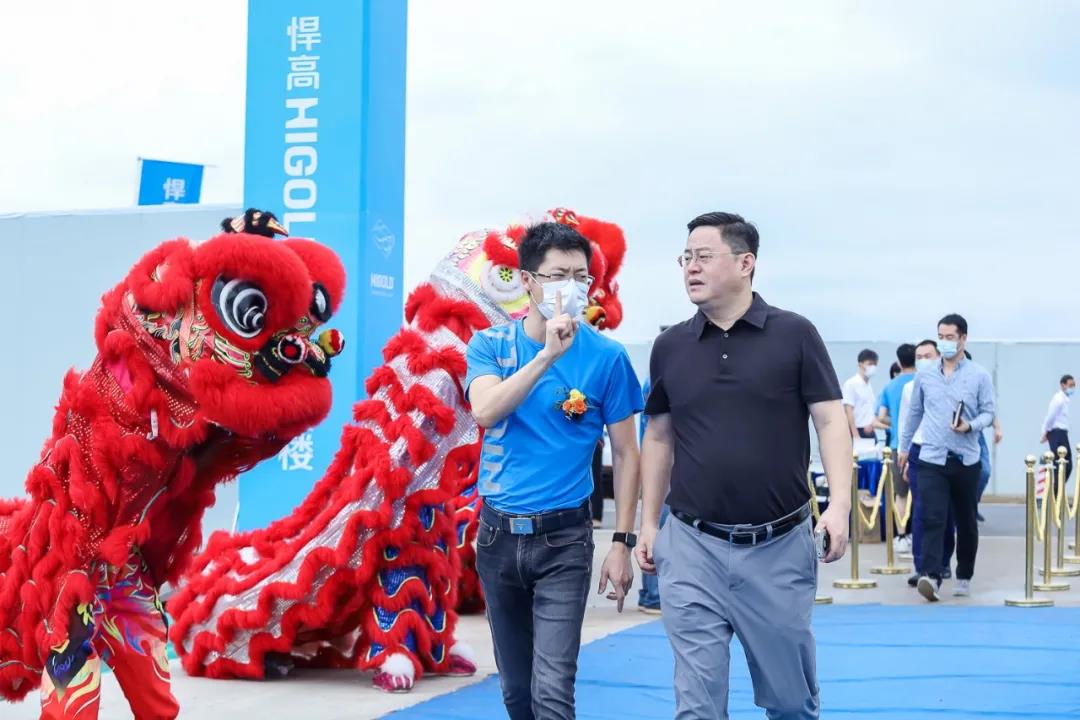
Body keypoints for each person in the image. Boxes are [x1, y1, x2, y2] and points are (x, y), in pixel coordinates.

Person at [635, 212, 851, 719]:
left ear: (745, 263)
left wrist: (839, 505)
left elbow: (830, 421)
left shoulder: (795, 334)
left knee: (790, 703)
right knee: (698, 706)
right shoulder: (670, 347)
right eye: (686, 258)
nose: (691, 267)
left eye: (703, 257)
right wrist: (648, 525)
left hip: (778, 547)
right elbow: (659, 437)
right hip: (691, 545)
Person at [465, 221, 644, 719]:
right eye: (559, 275)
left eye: (581, 277)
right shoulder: (490, 345)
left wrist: (622, 542)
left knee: (553, 690)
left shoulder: (607, 358)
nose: (573, 287)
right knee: (517, 692)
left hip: (564, 541)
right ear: (528, 281)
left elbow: (627, 452)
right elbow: (485, 411)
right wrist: (546, 356)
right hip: (498, 538)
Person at [899, 314, 996, 602]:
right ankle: (931, 574)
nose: (945, 342)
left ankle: (964, 573)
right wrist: (904, 447)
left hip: (966, 459)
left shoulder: (979, 375)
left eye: (950, 337)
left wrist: (970, 426)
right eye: (941, 337)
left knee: (965, 521)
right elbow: (915, 413)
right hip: (931, 457)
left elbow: (989, 413)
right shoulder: (926, 375)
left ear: (963, 338)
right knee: (932, 516)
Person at [899, 340, 954, 586]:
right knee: (921, 510)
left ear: (938, 356)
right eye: (919, 356)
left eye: (927, 355)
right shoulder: (909, 388)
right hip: (919, 450)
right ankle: (922, 567)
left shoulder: (951, 384)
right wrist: (904, 453)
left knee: (945, 511)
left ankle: (943, 561)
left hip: (946, 451)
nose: (922, 360)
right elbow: (905, 421)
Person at [1041, 374, 1075, 484]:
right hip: (1056, 433)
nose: (1072, 388)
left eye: (1073, 385)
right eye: (1070, 385)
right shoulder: (1058, 399)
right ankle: (1055, 490)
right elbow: (1050, 416)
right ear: (1063, 385)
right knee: (1060, 463)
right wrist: (1045, 431)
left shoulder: (1065, 400)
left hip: (1062, 433)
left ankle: (1057, 489)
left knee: (1067, 465)